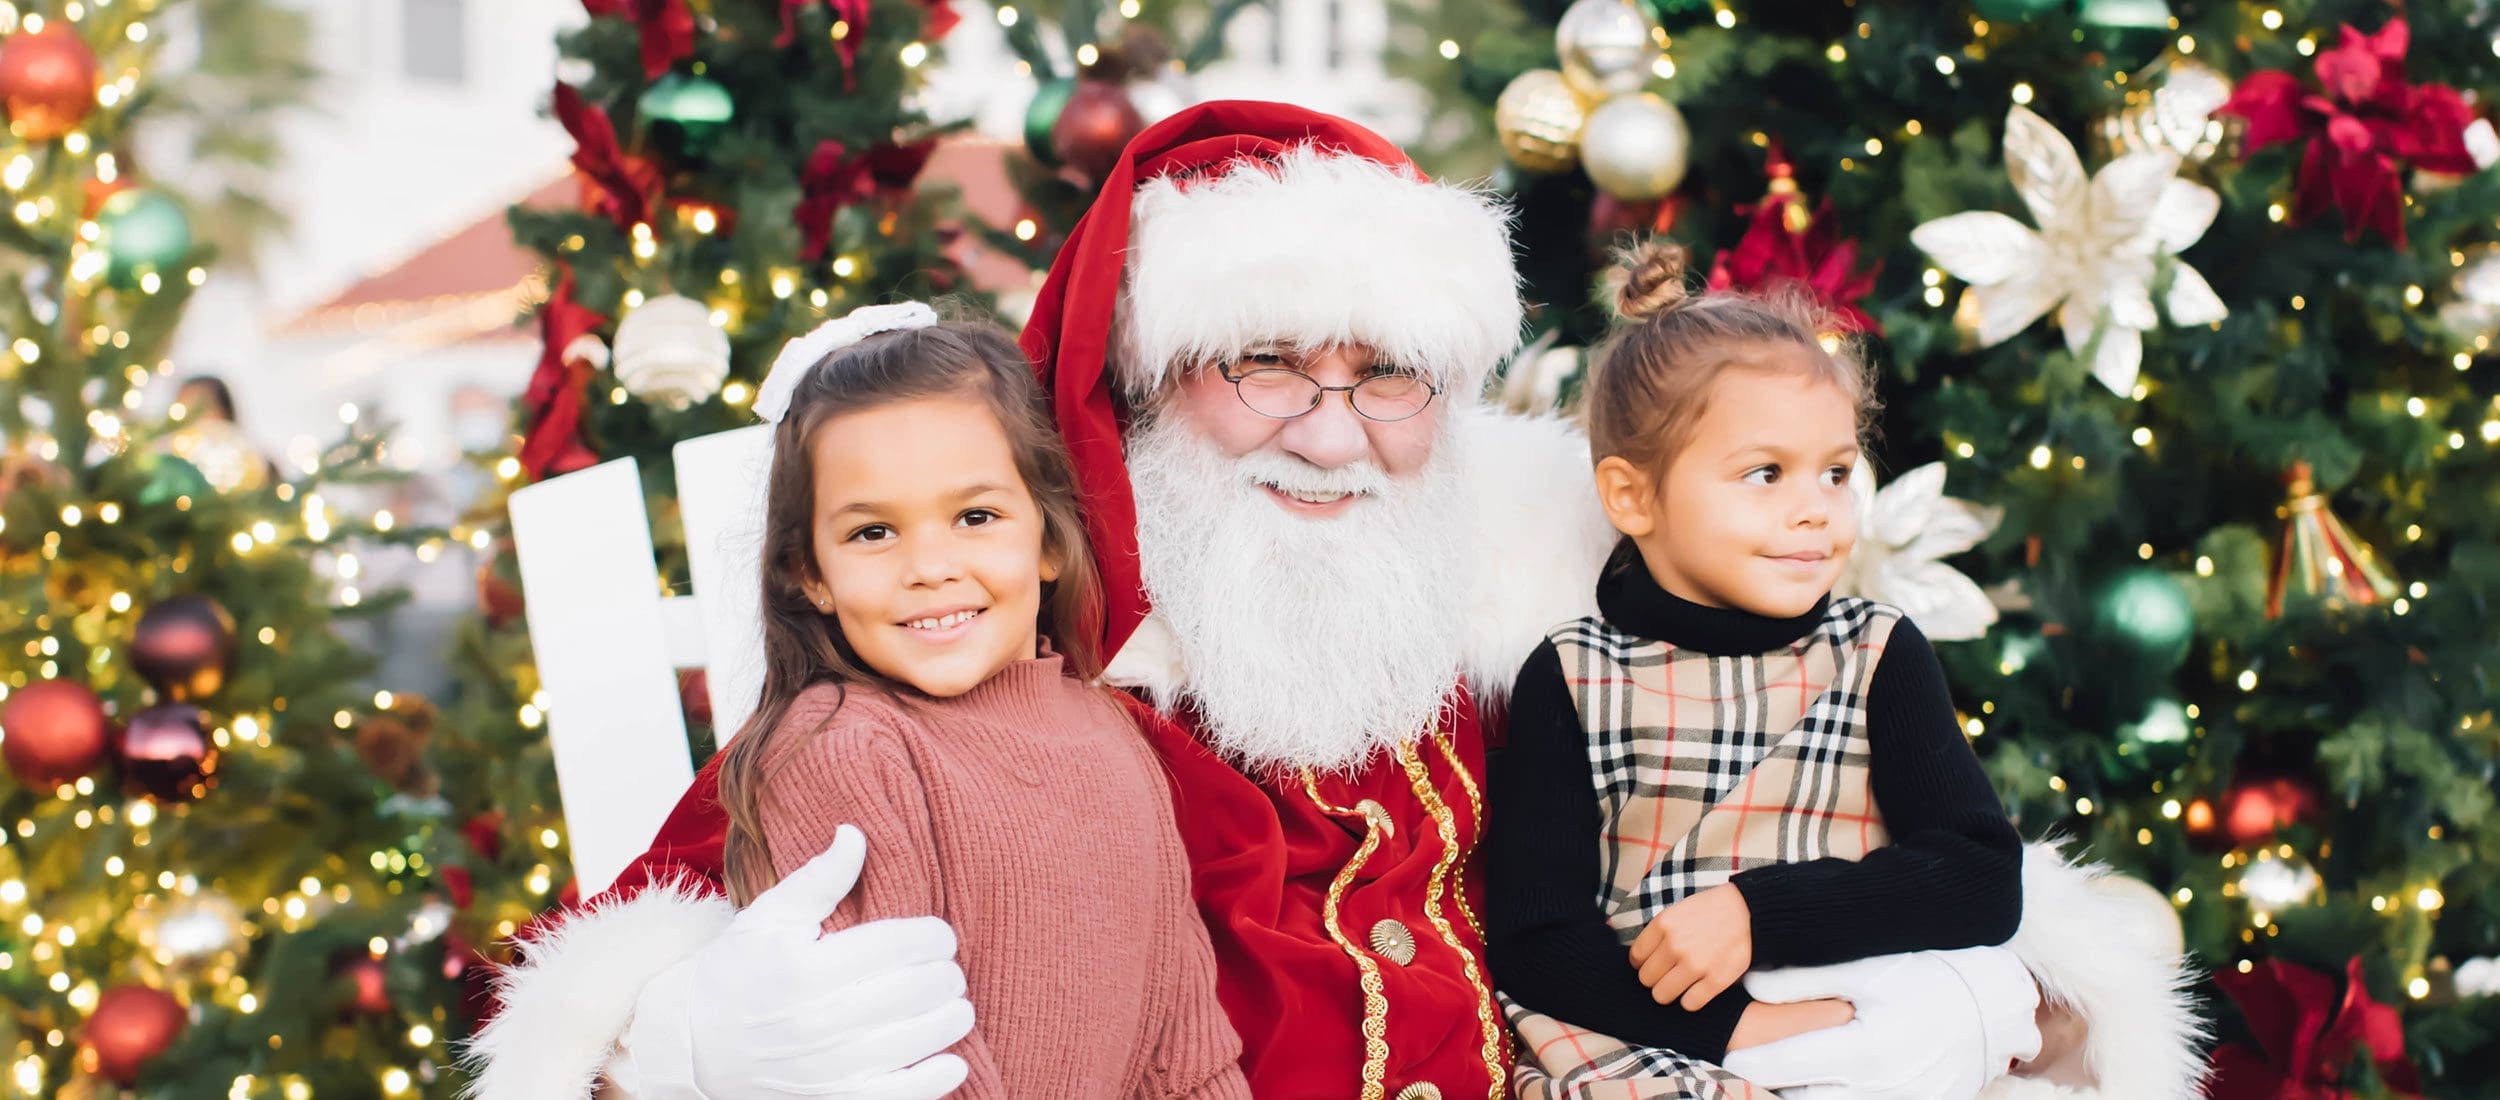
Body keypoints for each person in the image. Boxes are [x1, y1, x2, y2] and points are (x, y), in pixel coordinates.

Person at [464, 102, 2207, 1100]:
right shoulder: (991, 651)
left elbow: (1821, 812)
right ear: (1147, 388)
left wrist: (1986, 985)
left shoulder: (1530, 620)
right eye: (1261, 364)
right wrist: (683, 1042)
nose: (1331, 425)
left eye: (1388, 376)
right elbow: (649, 934)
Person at [1486, 243, 2043, 1099]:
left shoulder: (1876, 653)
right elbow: (1538, 938)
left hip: (1869, 1022)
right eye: (1765, 474)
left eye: (1836, 472)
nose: (1815, 507)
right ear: (1633, 497)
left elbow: (1979, 876)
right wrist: (1734, 1033)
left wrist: (1759, 913)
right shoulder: (1573, 675)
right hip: (1652, 1037)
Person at [712, 302, 1246, 1098]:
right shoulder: (843, 752)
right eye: (872, 533)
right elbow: (901, 1061)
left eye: (975, 516)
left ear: (1050, 542)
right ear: (810, 573)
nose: (930, 566)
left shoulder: (1109, 733)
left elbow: (1183, 1047)